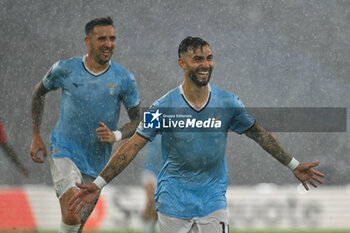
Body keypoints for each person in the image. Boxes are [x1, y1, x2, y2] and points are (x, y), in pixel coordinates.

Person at [69, 36, 324, 233]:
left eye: (209, 58)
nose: (205, 64)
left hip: (213, 200)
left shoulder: (228, 103)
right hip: (172, 202)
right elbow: (132, 145)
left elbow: (260, 134)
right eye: (198, 59)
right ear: (182, 63)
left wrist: (293, 164)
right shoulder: (162, 107)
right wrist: (99, 183)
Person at [30, 17, 141, 233]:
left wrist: (116, 135)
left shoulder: (125, 79)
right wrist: (35, 134)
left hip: (97, 162)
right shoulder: (65, 69)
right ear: (87, 41)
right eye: (102, 39)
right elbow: (38, 94)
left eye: (112, 38)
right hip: (65, 150)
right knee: (71, 215)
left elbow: (137, 120)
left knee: (78, 225)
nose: (108, 44)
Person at [141, 134, 162, 233]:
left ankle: (151, 226)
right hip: (150, 169)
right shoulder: (153, 122)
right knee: (152, 200)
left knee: (160, 204)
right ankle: (146, 228)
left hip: (166, 172)